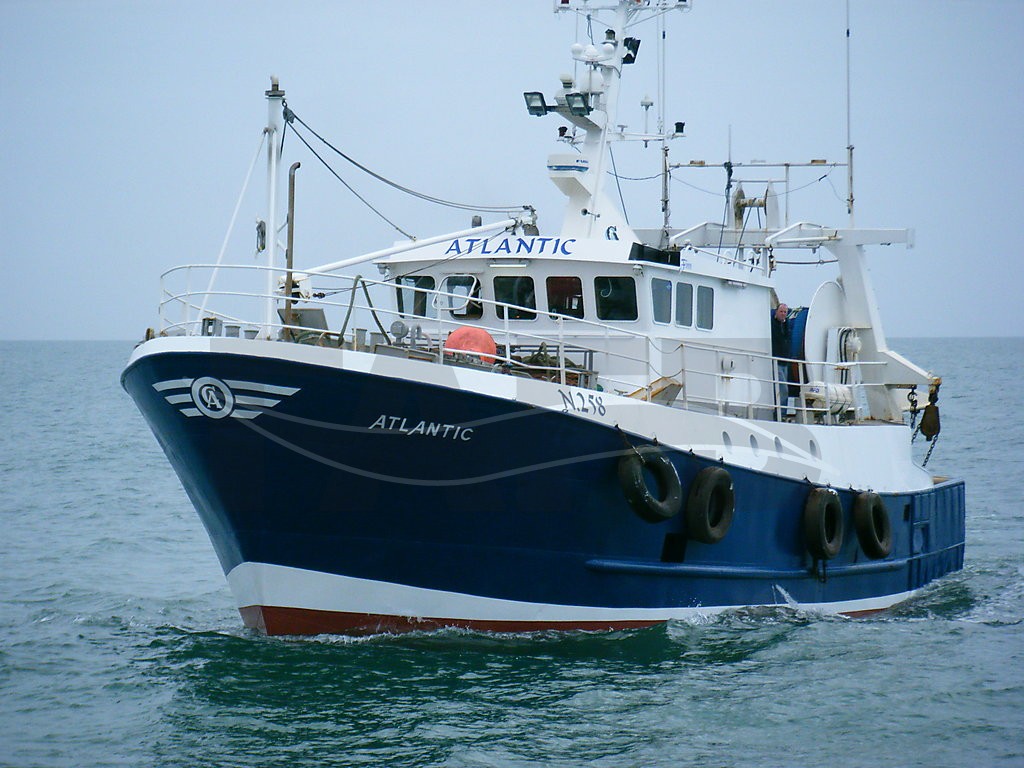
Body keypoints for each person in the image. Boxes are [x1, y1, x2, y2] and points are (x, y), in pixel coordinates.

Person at [771, 303, 794, 417]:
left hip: (785, 361)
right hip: (777, 360)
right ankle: (781, 413)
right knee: (783, 388)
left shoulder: (786, 325)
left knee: (783, 387)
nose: (783, 314)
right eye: (781, 311)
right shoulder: (772, 325)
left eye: (785, 312)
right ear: (776, 312)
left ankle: (781, 411)